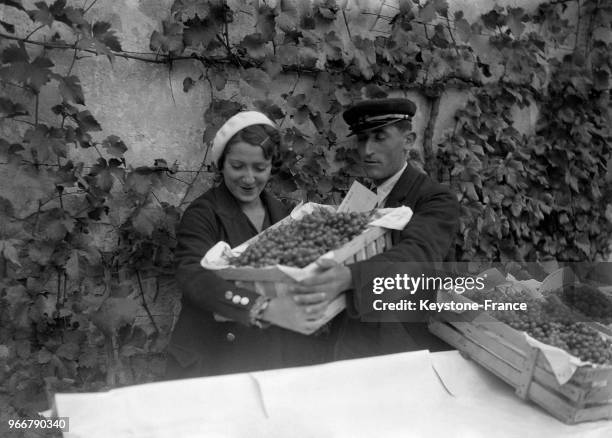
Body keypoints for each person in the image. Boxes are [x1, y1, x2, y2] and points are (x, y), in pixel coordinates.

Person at [166, 111, 333, 379]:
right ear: (221, 164)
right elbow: (194, 276)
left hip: (271, 356)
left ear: (271, 167)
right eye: (237, 166)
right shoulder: (203, 214)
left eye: (259, 168)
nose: (248, 178)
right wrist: (257, 306)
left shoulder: (282, 214)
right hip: (216, 358)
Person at [292, 98, 460, 359]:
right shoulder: (361, 199)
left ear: (408, 140)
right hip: (351, 345)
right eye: (361, 139)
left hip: (404, 349)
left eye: (379, 137)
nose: (367, 150)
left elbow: (418, 257)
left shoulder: (435, 198)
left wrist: (349, 277)